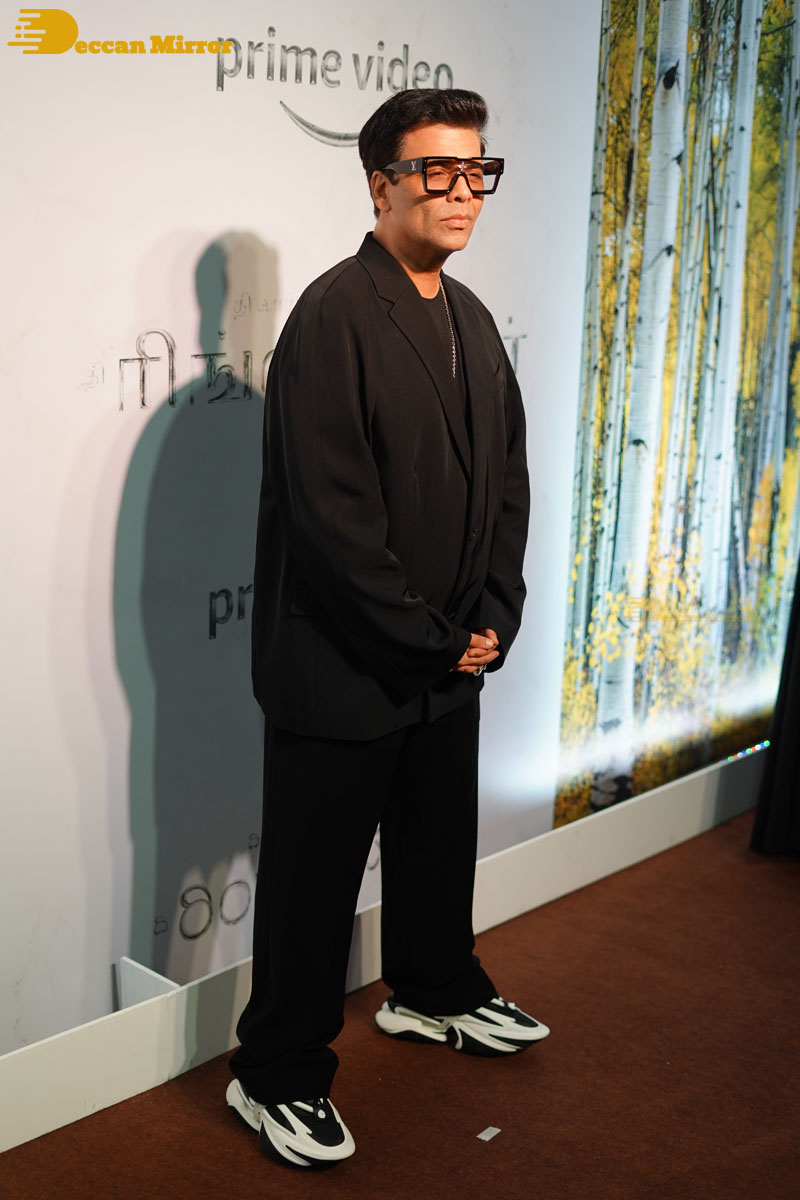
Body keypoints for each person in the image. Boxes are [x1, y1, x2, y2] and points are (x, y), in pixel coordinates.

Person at [225, 87, 549, 1170]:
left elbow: (507, 483)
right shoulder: (331, 316)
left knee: (434, 845)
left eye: (476, 171)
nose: (463, 192)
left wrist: (491, 615)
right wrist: (430, 637)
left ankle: (433, 988)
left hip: (448, 655)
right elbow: (333, 523)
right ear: (380, 185)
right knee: (313, 886)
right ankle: (274, 1073)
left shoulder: (469, 317)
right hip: (343, 664)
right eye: (436, 172)